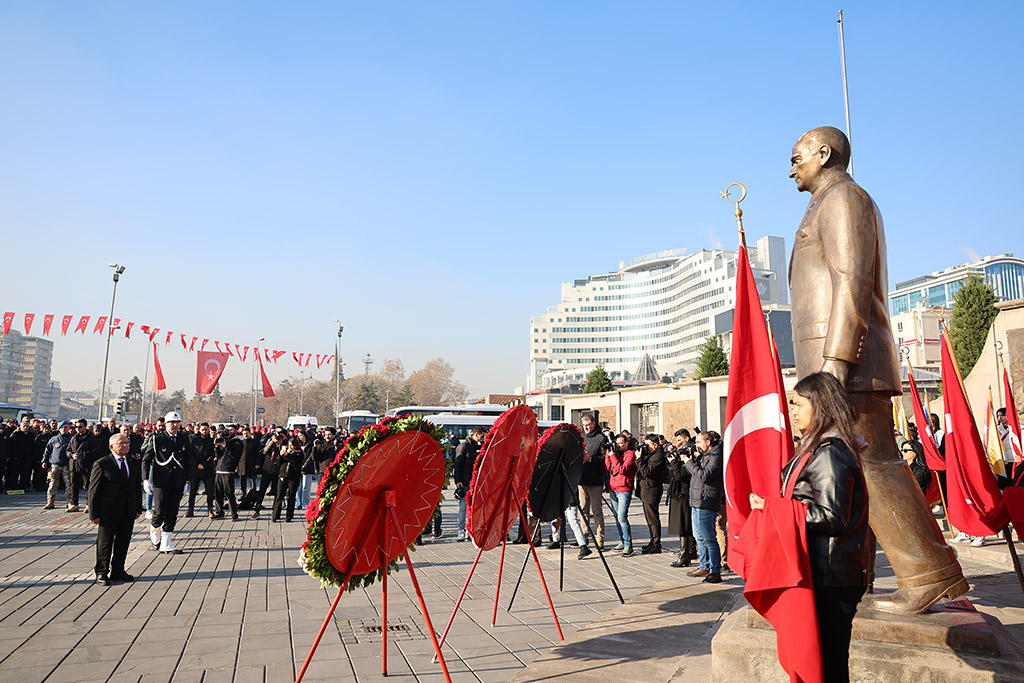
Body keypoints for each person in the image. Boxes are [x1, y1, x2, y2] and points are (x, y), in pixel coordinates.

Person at [788, 126, 964, 613]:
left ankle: (927, 572)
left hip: (850, 367)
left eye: (797, 156)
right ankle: (865, 576)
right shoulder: (825, 201)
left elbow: (852, 281)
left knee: (871, 463)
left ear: (824, 154)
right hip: (835, 366)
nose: (791, 166)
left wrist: (835, 364)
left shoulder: (844, 198)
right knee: (854, 471)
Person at [750, 372, 870, 683]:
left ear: (820, 406)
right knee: (819, 662)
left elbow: (832, 516)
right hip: (817, 569)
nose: (794, 411)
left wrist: (774, 509)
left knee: (827, 665)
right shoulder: (816, 447)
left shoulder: (831, 452)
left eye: (798, 404)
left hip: (830, 576)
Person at [89, 433, 143, 586]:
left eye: (127, 443)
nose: (125, 445)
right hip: (108, 511)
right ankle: (101, 572)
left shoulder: (132, 462)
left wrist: (138, 508)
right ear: (111, 446)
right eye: (121, 443)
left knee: (123, 541)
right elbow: (93, 491)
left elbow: (135, 488)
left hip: (128, 510)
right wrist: (94, 513)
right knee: (105, 543)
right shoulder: (102, 464)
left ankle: (118, 570)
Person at [142, 411, 191, 554]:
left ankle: (166, 542)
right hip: (161, 481)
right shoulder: (157, 438)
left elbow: (187, 460)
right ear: (166, 424)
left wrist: (186, 480)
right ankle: (155, 535)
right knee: (159, 511)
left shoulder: (183, 438)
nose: (174, 425)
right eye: (171, 423)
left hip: (177, 481)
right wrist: (146, 479)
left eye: (177, 423)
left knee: (172, 512)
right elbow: (146, 459)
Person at [681, 431, 723, 583]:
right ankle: (704, 565)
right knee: (699, 537)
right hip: (697, 501)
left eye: (698, 442)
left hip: (707, 501)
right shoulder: (704, 455)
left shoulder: (716, 457)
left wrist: (688, 462)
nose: (696, 445)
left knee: (709, 539)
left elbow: (704, 475)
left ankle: (715, 571)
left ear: (708, 443)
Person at [667, 428, 698, 568]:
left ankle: (684, 555)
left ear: (686, 439)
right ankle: (689, 552)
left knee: (683, 525)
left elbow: (680, 475)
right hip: (678, 492)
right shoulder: (682, 454)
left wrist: (674, 462)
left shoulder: (690, 456)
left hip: (684, 493)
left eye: (679, 440)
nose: (677, 443)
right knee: (684, 525)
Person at [578, 414, 607, 549]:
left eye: (588, 424)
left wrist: (590, 458)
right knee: (583, 509)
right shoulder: (581, 437)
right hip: (582, 479)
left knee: (596, 510)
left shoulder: (601, 438)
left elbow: (605, 459)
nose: (586, 427)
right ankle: (584, 537)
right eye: (584, 425)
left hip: (595, 479)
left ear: (593, 424)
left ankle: (599, 537)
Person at [636, 433, 668, 554]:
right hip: (646, 490)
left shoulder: (658, 456)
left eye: (648, 445)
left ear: (655, 445)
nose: (646, 447)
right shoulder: (651, 454)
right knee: (649, 519)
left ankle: (656, 544)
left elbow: (646, 471)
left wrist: (639, 459)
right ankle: (652, 541)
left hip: (652, 491)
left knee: (653, 519)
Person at [605, 433, 636, 556]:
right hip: (613, 488)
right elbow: (608, 467)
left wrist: (612, 456)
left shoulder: (631, 454)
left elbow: (622, 469)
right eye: (616, 443)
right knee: (617, 518)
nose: (618, 446)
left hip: (624, 489)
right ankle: (622, 541)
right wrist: (609, 454)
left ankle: (628, 544)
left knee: (622, 518)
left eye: (620, 443)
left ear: (626, 443)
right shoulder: (615, 453)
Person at [452, 427, 485, 542]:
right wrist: (458, 480)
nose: (483, 438)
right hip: (465, 482)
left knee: (474, 509)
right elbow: (458, 464)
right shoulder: (463, 446)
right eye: (481, 436)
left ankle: (469, 530)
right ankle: (461, 530)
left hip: (475, 483)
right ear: (476, 435)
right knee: (463, 508)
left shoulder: (479, 447)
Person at [41, 421, 75, 510]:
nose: (64, 429)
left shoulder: (72, 439)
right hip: (55, 465)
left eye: (66, 427)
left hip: (67, 465)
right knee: (52, 484)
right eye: (62, 427)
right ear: (59, 429)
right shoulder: (54, 439)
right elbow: (47, 450)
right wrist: (44, 461)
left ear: (69, 428)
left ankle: (70, 502)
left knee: (69, 485)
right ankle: (50, 502)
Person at [186, 423, 216, 518]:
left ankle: (210, 510)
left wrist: (204, 464)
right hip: (196, 469)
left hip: (208, 469)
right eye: (203, 429)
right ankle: (190, 510)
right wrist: (196, 464)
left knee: (210, 491)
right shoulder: (194, 441)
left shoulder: (212, 441)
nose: (204, 431)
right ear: (199, 430)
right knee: (193, 490)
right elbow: (190, 453)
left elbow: (213, 454)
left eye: (206, 429)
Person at [272, 437, 303, 522]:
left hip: (293, 477)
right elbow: (278, 463)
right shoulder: (285, 452)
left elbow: (296, 463)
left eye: (292, 445)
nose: (290, 447)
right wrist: (280, 456)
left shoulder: (299, 454)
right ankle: (275, 515)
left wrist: (287, 455)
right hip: (283, 475)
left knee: (291, 496)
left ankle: (289, 516)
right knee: (279, 495)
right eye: (289, 445)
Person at [211, 436, 239, 521]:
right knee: (218, 494)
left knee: (229, 494)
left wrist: (225, 446)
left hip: (228, 471)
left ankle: (234, 514)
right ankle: (219, 513)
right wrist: (216, 447)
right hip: (219, 470)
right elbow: (217, 455)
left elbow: (234, 455)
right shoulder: (222, 443)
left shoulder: (237, 443)